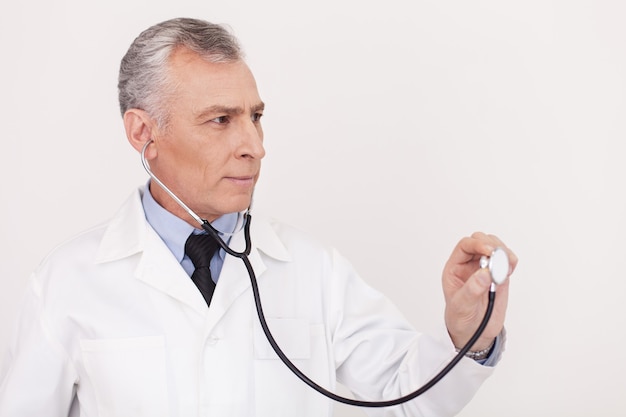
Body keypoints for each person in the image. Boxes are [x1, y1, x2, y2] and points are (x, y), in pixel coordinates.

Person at [0, 17, 517, 417]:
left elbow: (408, 399)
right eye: (220, 120)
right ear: (143, 134)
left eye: (255, 117)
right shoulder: (68, 282)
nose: (254, 146)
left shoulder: (315, 270)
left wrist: (467, 336)